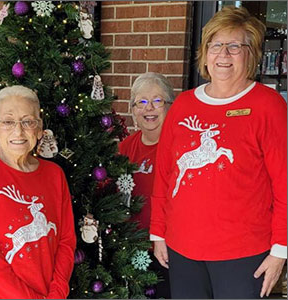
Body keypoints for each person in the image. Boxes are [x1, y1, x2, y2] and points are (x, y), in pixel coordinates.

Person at [150, 6, 287, 299]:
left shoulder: (269, 106)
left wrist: (280, 250)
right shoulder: (183, 106)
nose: (223, 54)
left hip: (244, 254)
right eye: (216, 45)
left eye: (235, 46)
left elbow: (285, 183)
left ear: (251, 54)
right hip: (182, 248)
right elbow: (164, 174)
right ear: (205, 52)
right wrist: (158, 233)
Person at [0, 85, 76, 299]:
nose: (18, 131)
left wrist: (57, 293)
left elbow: (66, 241)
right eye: (8, 121)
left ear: (40, 129)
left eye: (27, 121)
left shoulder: (54, 175)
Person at [119, 72, 174, 299]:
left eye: (157, 101)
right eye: (141, 102)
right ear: (133, 110)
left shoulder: (179, 147)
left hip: (170, 250)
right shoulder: (125, 148)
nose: (148, 108)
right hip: (132, 248)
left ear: (169, 106)